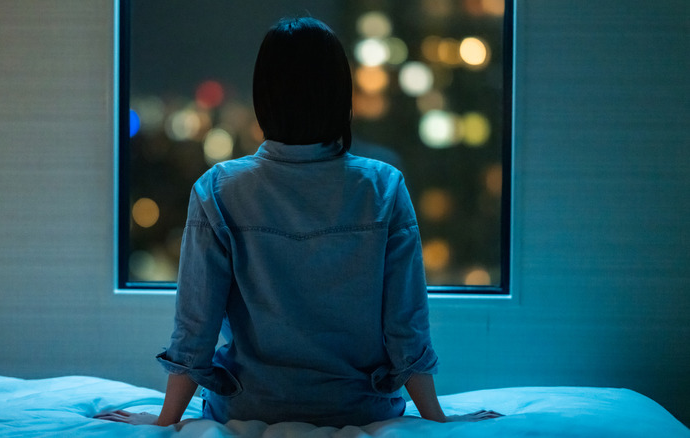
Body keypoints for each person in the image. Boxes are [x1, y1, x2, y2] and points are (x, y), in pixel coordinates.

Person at [97, 16, 501, 428]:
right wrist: (437, 417)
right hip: (359, 407)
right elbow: (406, 326)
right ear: (341, 95)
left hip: (249, 406)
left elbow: (194, 328)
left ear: (263, 98)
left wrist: (166, 419)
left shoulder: (218, 189)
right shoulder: (383, 186)